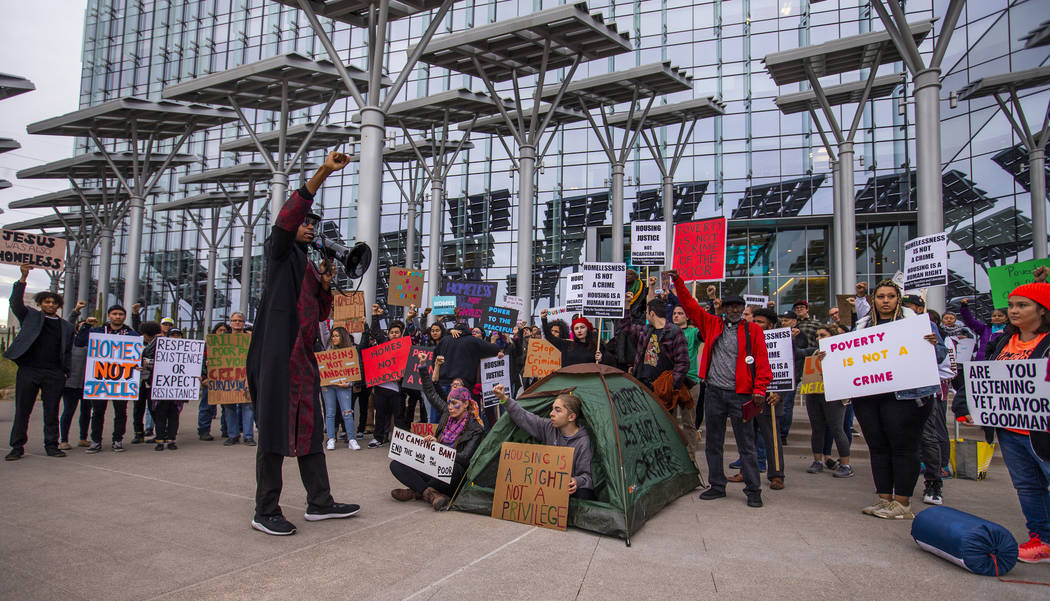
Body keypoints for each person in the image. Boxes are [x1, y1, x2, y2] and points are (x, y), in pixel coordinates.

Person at [246, 152, 360, 536]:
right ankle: (265, 510)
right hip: (277, 356)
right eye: (305, 224)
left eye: (314, 225)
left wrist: (326, 285)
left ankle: (320, 502)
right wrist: (324, 172)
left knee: (310, 430)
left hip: (303, 358)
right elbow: (286, 217)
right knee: (276, 431)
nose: (309, 228)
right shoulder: (279, 251)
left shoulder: (308, 264)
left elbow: (322, 312)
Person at [955, 281, 1050, 563]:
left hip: (1043, 431)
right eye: (1011, 305)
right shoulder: (1002, 341)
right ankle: (1042, 539)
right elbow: (982, 379)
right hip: (1010, 430)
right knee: (1027, 487)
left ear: (1043, 310)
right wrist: (970, 406)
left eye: (1022, 305)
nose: (1013, 311)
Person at [836, 279, 945, 520]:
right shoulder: (862, 327)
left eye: (890, 296)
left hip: (906, 397)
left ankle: (903, 502)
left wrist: (933, 345)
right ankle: (884, 498)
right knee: (878, 446)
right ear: (874, 300)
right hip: (870, 397)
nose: (885, 301)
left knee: (904, 447)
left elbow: (940, 356)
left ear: (898, 299)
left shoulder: (919, 323)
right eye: (880, 297)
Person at [670, 271, 772, 508]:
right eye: (730, 306)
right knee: (713, 442)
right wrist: (678, 282)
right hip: (715, 392)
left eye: (738, 307)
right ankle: (717, 485)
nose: (735, 310)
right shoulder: (712, 323)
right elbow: (690, 305)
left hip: (742, 394)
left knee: (746, 444)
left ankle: (753, 490)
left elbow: (762, 361)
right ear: (723, 308)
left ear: (743, 308)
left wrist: (760, 388)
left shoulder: (753, 330)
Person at [4, 265, 78, 460]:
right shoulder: (30, 317)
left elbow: (68, 350)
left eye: (54, 302)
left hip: (54, 373)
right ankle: (17, 446)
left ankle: (52, 445)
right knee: (23, 410)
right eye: (47, 302)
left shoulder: (65, 326)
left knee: (52, 410)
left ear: (59, 305)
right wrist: (23, 278)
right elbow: (15, 303)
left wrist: (65, 372)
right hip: (29, 370)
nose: (51, 305)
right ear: (41, 303)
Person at [390, 362, 484, 510]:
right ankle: (430, 494)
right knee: (396, 463)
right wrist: (422, 368)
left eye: (455, 403)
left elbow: (465, 458)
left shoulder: (476, 429)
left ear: (466, 404)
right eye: (449, 404)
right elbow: (431, 393)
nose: (451, 407)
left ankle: (417, 490)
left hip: (452, 474)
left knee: (452, 471)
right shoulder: (447, 415)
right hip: (433, 465)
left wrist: (439, 449)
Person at [493, 383, 595, 500]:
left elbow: (586, 476)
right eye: (552, 409)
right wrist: (503, 399)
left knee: (584, 493)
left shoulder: (583, 441)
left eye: (558, 410)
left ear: (571, 417)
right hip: (549, 488)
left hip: (568, 490)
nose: (551, 413)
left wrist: (576, 481)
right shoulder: (548, 427)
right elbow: (524, 417)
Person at [726, 308, 787, 489]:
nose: (756, 324)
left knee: (771, 437)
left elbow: (791, 368)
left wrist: (781, 394)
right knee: (747, 437)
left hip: (771, 396)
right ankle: (746, 471)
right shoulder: (747, 339)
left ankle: (776, 474)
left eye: (760, 322)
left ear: (770, 325)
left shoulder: (782, 340)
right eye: (755, 321)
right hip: (748, 394)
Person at [77, 303, 140, 454]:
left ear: (124, 317)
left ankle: (117, 440)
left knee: (121, 412)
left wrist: (137, 365)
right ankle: (96, 440)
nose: (117, 317)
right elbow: (79, 342)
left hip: (121, 380)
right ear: (109, 316)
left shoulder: (130, 334)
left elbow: (138, 348)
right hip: (101, 378)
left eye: (120, 314)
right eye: (115, 314)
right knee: (97, 412)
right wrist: (86, 325)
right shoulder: (98, 331)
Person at [804, 326, 853, 477]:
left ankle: (845, 465)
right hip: (814, 394)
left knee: (837, 429)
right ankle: (817, 461)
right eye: (818, 335)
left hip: (833, 396)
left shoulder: (841, 352)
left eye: (823, 335)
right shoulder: (813, 352)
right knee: (817, 429)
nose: (819, 338)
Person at [364, 304, 408, 448]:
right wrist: (375, 315)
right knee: (380, 415)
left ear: (401, 335)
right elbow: (376, 332)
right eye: (392, 332)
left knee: (399, 416)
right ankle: (378, 438)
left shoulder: (404, 348)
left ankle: (400, 441)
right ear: (388, 334)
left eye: (397, 332)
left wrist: (401, 377)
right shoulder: (384, 344)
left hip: (396, 389)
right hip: (381, 388)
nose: (394, 334)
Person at [322, 327, 358, 451]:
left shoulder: (350, 352)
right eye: (333, 336)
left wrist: (348, 384)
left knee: (347, 412)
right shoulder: (327, 349)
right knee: (330, 413)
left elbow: (354, 370)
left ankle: (352, 439)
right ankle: (331, 438)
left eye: (337, 335)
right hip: (328, 386)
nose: (334, 338)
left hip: (344, 386)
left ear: (343, 337)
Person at [59, 317, 92, 449]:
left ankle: (83, 438)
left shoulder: (93, 343)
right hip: (71, 383)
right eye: (83, 326)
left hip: (87, 383)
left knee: (86, 412)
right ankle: (64, 439)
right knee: (68, 411)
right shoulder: (70, 343)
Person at [539, 310, 609, 366]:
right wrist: (544, 319)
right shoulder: (567, 344)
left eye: (582, 327)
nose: (579, 330)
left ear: (588, 329)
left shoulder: (596, 347)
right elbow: (549, 337)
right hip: (568, 381)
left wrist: (600, 360)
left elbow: (605, 367)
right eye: (576, 328)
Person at [198, 322, 231, 441]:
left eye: (225, 331)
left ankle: (226, 430)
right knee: (206, 407)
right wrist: (204, 377)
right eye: (220, 330)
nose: (222, 333)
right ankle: (204, 430)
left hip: (226, 381)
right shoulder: (207, 346)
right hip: (210, 380)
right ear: (214, 332)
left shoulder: (232, 346)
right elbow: (201, 362)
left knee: (227, 407)